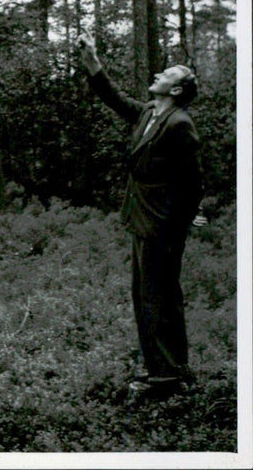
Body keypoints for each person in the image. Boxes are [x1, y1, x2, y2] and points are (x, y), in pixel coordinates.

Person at [77, 32, 202, 398]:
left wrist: (176, 224)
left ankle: (168, 375)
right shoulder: (150, 112)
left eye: (167, 74)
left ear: (176, 91)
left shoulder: (180, 124)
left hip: (162, 224)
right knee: (147, 295)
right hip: (142, 218)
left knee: (159, 295)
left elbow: (193, 183)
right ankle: (162, 366)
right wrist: (92, 62)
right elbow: (115, 99)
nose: (158, 74)